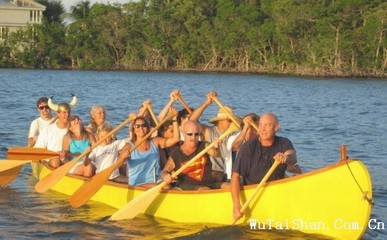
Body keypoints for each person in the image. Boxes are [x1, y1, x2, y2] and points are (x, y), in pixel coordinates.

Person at [231, 112, 298, 222]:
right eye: (261, 125)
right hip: (253, 193)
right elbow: (235, 177)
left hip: (276, 191)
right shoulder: (248, 147)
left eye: (267, 125)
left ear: (276, 127)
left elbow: (293, 156)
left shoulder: (283, 142)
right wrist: (236, 205)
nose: (262, 129)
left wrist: (286, 157)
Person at [161, 120, 230, 190]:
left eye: (196, 134)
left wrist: (216, 147)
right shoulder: (176, 153)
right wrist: (166, 175)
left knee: (230, 186)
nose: (193, 137)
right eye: (190, 134)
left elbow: (215, 154)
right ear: (184, 133)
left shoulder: (205, 145)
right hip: (187, 186)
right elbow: (164, 171)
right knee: (205, 189)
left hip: (209, 183)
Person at [118, 114, 179, 187]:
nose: (141, 128)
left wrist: (175, 119)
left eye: (144, 125)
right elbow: (118, 164)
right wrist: (123, 157)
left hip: (157, 180)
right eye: (137, 126)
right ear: (133, 130)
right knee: (166, 187)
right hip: (138, 183)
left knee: (168, 186)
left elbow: (176, 139)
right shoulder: (129, 146)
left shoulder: (155, 141)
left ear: (148, 128)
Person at [190, 91, 238, 181]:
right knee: (216, 175)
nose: (232, 123)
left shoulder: (234, 135)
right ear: (220, 121)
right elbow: (192, 121)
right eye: (229, 120)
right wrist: (207, 103)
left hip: (228, 172)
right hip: (211, 171)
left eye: (232, 121)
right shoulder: (209, 131)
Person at [34, 101, 72, 168]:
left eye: (68, 112)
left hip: (67, 161)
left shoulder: (73, 128)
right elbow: (39, 148)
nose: (67, 115)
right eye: (64, 113)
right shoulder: (48, 129)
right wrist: (37, 157)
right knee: (55, 161)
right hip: (52, 161)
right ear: (58, 114)